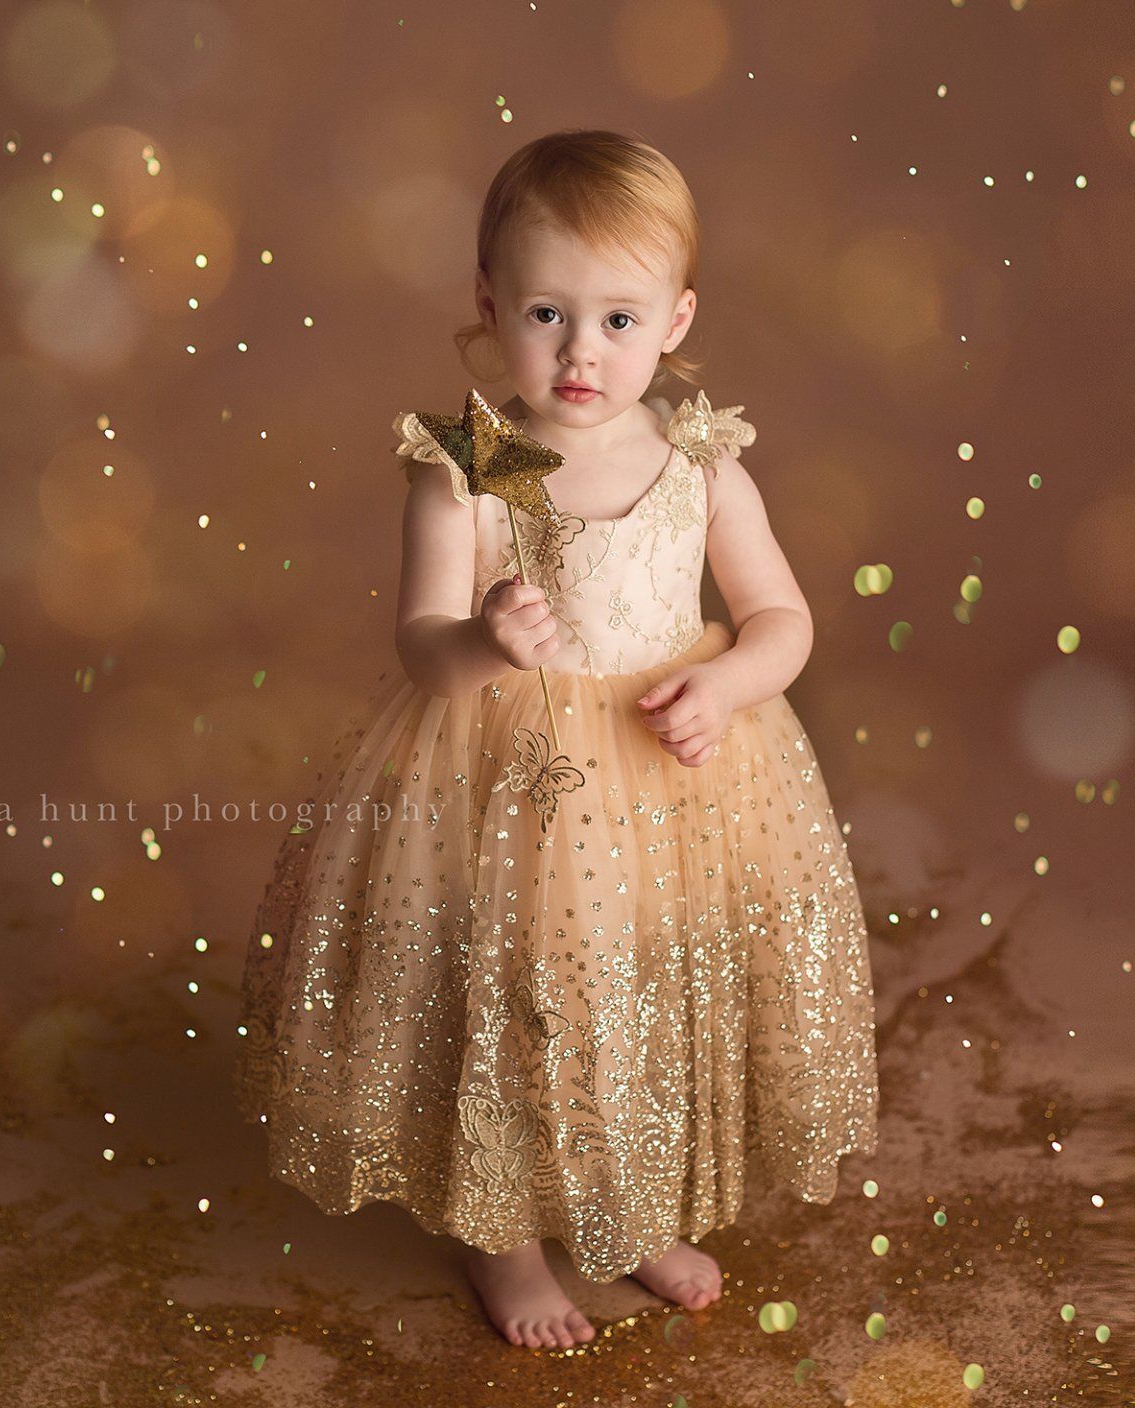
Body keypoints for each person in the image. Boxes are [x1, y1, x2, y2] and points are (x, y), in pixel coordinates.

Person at [233, 128, 878, 1351]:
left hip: (667, 772)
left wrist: (731, 682)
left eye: (620, 320)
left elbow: (784, 617)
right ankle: (506, 1237)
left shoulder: (698, 461)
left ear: (677, 319)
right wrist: (483, 639)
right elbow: (422, 637)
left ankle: (623, 1214)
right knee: (519, 995)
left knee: (640, 990)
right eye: (545, 312)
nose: (582, 352)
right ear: (487, 304)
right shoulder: (476, 459)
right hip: (517, 774)